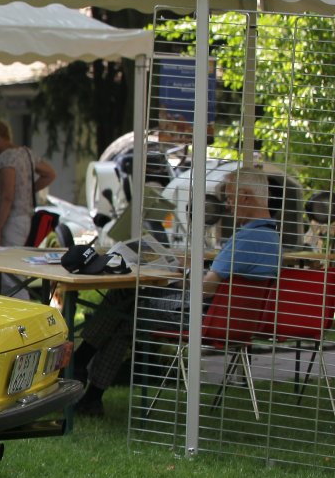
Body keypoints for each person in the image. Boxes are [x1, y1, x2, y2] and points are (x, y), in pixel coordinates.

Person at [75, 168, 282, 416]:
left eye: (229, 198)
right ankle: (92, 397)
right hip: (238, 320)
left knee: (125, 300)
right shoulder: (272, 238)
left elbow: (205, 289)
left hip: (205, 318)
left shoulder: (244, 239)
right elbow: (225, 282)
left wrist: (181, 276)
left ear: (246, 197)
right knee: (125, 315)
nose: (227, 206)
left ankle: (81, 359)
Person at [0, 117, 58, 294]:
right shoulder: (26, 153)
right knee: (17, 270)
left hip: (12, 220)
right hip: (26, 218)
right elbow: (50, 174)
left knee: (10, 275)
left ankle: (21, 307)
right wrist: (29, 189)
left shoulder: (7, 157)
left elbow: (7, 196)